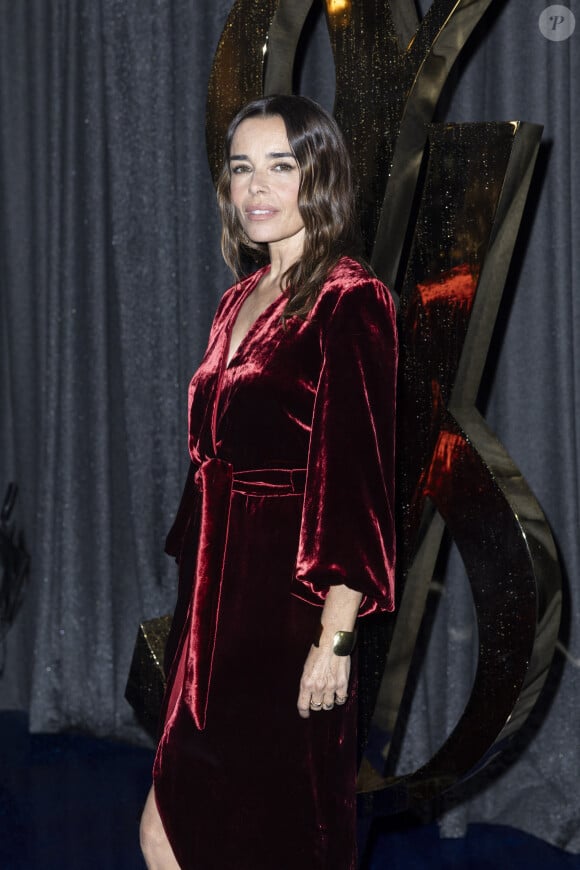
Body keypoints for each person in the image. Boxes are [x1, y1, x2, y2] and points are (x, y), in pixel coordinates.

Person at [139, 94, 397, 870]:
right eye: (242, 167)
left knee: (270, 830)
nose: (256, 187)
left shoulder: (351, 300)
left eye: (281, 166)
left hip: (289, 609)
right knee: (173, 820)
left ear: (320, 177)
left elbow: (357, 478)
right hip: (215, 595)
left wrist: (336, 637)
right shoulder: (237, 299)